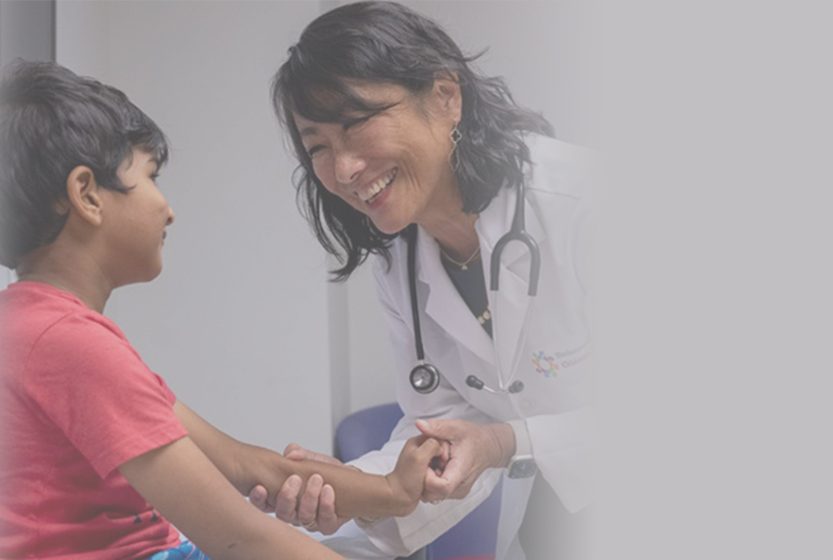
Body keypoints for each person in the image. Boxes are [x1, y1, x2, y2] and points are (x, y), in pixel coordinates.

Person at [0, 60, 447, 560]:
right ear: (87, 194)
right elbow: (241, 538)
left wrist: (393, 492)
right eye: (151, 176)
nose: (168, 208)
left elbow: (244, 464)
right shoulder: (68, 345)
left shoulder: (41, 329)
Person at [249, 2, 595, 559]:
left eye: (356, 123)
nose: (343, 170)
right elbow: (448, 424)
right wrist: (354, 491)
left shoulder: (583, 203)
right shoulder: (403, 260)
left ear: (445, 97)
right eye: (317, 147)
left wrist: (505, 441)